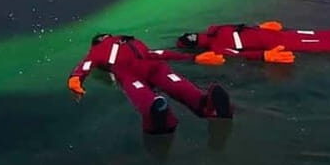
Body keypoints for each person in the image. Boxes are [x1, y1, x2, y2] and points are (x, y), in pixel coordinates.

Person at [68, 33, 233, 134]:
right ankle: (162, 113)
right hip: (136, 70)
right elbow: (87, 64)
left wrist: (193, 58)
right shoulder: (99, 49)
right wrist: (76, 78)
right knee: (162, 89)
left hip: (148, 67)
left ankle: (203, 104)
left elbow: (157, 53)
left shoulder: (129, 41)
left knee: (174, 85)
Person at [171, 18, 330, 60]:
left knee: (315, 35)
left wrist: (262, 27)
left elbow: (241, 27)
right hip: (275, 44)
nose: (194, 35)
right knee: (320, 44)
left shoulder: (215, 30)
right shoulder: (218, 48)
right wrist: (266, 55)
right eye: (192, 39)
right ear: (195, 45)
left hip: (275, 34)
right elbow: (241, 54)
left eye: (191, 34)